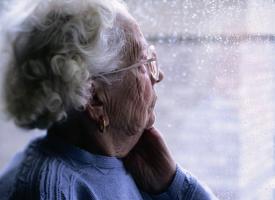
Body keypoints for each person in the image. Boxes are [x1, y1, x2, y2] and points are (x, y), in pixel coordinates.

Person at [0, 0, 218, 199]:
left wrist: (171, 183)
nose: (158, 75)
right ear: (94, 98)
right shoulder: (51, 192)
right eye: (142, 64)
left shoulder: (133, 164)